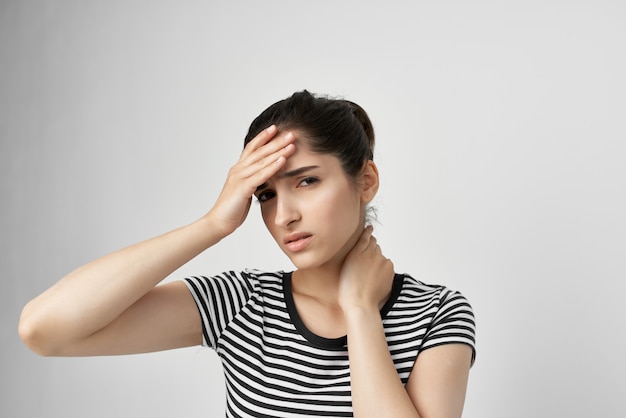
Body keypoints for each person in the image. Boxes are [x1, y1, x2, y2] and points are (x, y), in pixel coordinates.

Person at [19, 90, 476, 417]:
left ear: (366, 181)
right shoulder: (243, 303)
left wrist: (360, 311)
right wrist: (213, 224)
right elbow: (44, 329)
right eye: (265, 195)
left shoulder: (438, 312)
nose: (284, 216)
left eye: (307, 181)